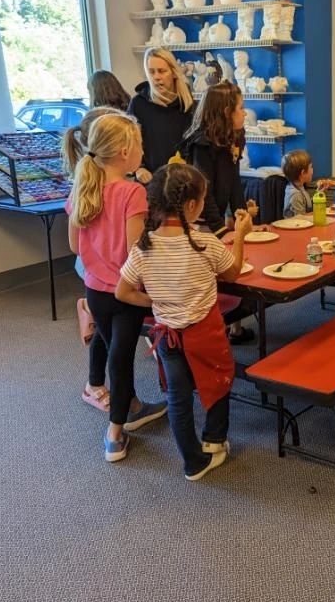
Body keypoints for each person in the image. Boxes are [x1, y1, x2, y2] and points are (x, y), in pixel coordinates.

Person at [116, 164, 252, 480]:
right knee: (218, 381)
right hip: (204, 332)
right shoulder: (203, 242)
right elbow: (233, 272)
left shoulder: (143, 247)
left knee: (178, 398)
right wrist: (241, 235)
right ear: (191, 205)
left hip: (167, 335)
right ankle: (214, 441)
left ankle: (192, 461)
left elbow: (122, 291)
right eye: (203, 200)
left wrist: (155, 302)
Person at [65, 113, 167, 462]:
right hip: (125, 293)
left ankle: (132, 406)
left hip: (95, 291)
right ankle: (114, 432)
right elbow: (133, 252)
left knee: (116, 354)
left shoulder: (82, 188)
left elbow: (75, 246)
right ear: (125, 152)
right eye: (140, 145)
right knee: (121, 360)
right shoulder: (132, 192)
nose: (143, 152)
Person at [184, 80, 258, 344]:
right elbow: (204, 191)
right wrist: (220, 229)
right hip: (202, 218)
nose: (244, 113)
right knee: (214, 274)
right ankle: (209, 330)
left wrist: (241, 215)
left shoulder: (235, 135)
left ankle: (235, 327)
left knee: (234, 263)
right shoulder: (201, 144)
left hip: (218, 212)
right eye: (241, 108)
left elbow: (234, 179)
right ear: (226, 112)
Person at [63, 106, 123, 413]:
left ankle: (89, 307)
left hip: (103, 272)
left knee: (107, 326)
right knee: (107, 330)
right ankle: (95, 385)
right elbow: (76, 245)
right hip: (98, 271)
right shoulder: (87, 186)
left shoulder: (113, 183)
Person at [128, 47, 194, 183]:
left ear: (174, 73)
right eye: (151, 72)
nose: (156, 77)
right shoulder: (138, 104)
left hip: (182, 181)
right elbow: (128, 142)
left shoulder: (188, 104)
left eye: (162, 71)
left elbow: (195, 147)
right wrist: (138, 169)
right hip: (150, 182)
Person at [281, 149, 330, 217]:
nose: (313, 170)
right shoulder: (296, 195)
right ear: (303, 173)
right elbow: (301, 220)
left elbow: (308, 207)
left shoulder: (299, 187)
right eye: (311, 167)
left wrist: (318, 193)